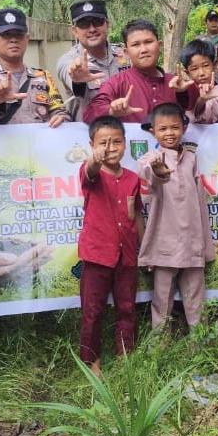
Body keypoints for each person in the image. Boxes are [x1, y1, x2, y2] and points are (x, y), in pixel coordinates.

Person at [137, 103, 215, 328]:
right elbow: (147, 172)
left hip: (191, 240)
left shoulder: (191, 159)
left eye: (174, 128)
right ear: (153, 131)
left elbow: (200, 200)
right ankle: (157, 347)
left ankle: (200, 346)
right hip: (165, 241)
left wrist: (204, 244)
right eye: (162, 129)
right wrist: (158, 171)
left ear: (183, 128)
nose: (169, 133)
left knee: (196, 298)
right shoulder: (151, 158)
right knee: (162, 298)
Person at [77, 115, 144, 374]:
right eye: (103, 143)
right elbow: (90, 169)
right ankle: (90, 360)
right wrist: (95, 159)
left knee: (127, 307)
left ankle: (125, 355)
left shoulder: (132, 178)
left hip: (126, 255)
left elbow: (136, 214)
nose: (111, 148)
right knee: (92, 311)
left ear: (125, 144)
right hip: (97, 255)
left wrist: (143, 248)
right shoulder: (90, 173)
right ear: (92, 144)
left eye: (116, 142)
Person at [0, 7, 69, 126]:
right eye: (6, 35)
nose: (13, 40)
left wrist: (61, 118)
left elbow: (60, 111)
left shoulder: (43, 77)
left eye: (19, 34)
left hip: (38, 143)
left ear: (27, 39)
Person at [83, 19, 190, 124]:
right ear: (127, 52)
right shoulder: (116, 83)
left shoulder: (175, 82)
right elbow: (89, 114)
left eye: (148, 42)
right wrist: (111, 110)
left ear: (159, 45)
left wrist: (183, 93)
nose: (143, 50)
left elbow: (196, 107)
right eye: (135, 45)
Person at [56, 0, 130, 120]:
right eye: (84, 24)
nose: (92, 29)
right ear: (75, 31)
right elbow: (68, 72)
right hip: (87, 135)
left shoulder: (126, 55)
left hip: (126, 134)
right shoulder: (69, 60)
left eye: (97, 22)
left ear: (107, 24)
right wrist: (77, 80)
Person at [178, 38, 217, 122]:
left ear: (214, 65)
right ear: (187, 72)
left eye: (206, 65)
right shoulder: (186, 91)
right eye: (194, 69)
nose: (201, 73)